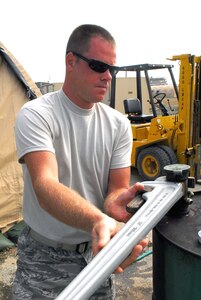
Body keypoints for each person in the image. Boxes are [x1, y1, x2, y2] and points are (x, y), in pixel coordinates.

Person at [12, 24, 148, 299]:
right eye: (99, 66)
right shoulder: (37, 115)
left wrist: (116, 204)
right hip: (43, 259)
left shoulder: (119, 124)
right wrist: (97, 219)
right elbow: (44, 184)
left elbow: (116, 190)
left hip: (96, 253)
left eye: (113, 69)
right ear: (71, 61)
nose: (108, 77)